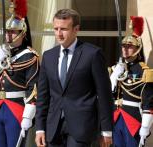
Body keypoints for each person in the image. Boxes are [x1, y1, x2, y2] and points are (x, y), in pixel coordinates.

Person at [35, 9, 113, 147]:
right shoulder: (48, 56)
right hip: (53, 127)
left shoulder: (93, 54)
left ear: (76, 29)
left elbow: (104, 95)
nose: (59, 33)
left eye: (64, 29)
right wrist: (40, 128)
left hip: (81, 127)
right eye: (56, 28)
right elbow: (43, 95)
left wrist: (106, 130)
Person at [0, 2, 39, 146]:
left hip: (16, 109)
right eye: (7, 31)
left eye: (12, 31)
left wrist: (28, 116)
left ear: (22, 33)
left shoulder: (29, 56)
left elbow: (34, 89)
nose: (8, 34)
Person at [110, 16, 153, 147]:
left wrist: (145, 128)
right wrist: (115, 74)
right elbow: (109, 92)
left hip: (133, 120)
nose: (125, 49)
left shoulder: (144, 72)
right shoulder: (116, 69)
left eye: (129, 47)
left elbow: (148, 104)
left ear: (137, 49)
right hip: (116, 117)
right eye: (123, 46)